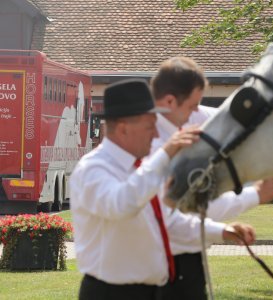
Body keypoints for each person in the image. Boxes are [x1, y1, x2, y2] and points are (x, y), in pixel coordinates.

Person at [70, 78, 256, 300]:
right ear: (123, 129)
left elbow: (168, 222)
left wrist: (222, 231)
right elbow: (122, 204)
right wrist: (166, 154)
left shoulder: (140, 170)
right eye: (150, 126)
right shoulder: (93, 169)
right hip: (111, 293)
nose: (157, 135)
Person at [150, 56, 273, 300]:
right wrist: (256, 195)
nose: (196, 113)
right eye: (192, 106)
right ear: (170, 101)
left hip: (185, 265)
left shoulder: (182, 119)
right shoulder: (152, 146)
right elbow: (188, 207)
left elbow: (234, 122)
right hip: (163, 268)